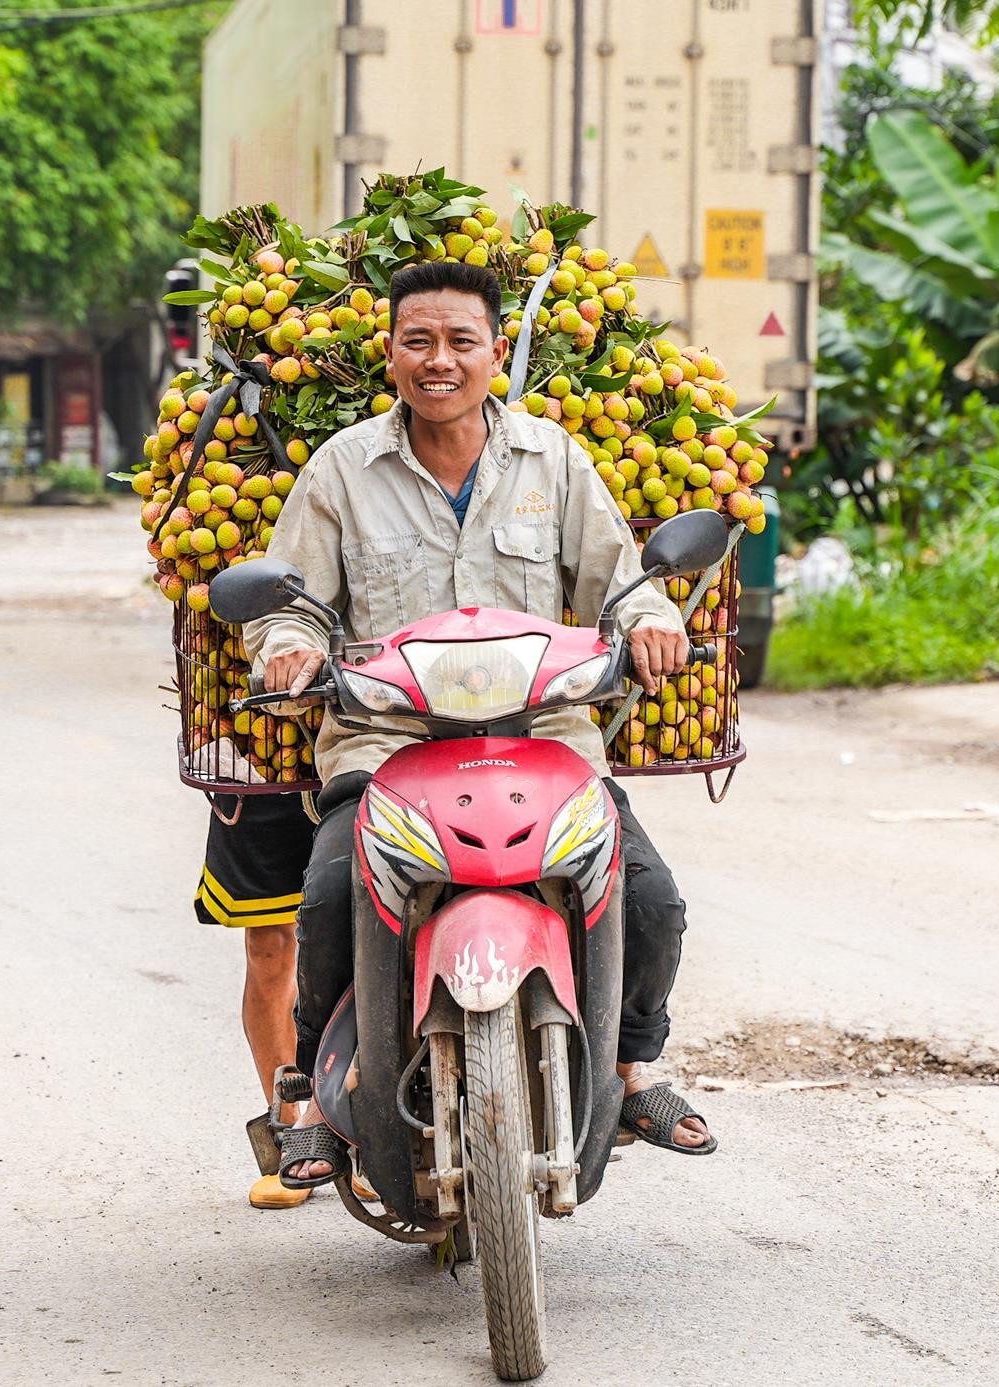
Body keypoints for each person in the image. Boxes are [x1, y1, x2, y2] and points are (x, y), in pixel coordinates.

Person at [246, 260, 717, 1188]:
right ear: (389, 354)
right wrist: (291, 648)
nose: (439, 361)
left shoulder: (554, 460)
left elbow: (623, 588)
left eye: (462, 341)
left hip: (543, 744)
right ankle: (308, 1092)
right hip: (391, 749)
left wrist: (654, 626)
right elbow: (290, 604)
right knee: (332, 897)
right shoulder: (342, 468)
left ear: (496, 353)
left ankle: (631, 1065)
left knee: (652, 899)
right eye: (418, 341)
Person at [192, 793, 318, 1209]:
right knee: (268, 946)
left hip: (356, 745)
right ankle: (288, 1128)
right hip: (264, 766)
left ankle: (361, 1128)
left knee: (365, 929)